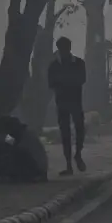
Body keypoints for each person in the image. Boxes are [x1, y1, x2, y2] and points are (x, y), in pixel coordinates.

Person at [47, 36, 87, 176]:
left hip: (73, 101)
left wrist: (62, 81)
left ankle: (77, 155)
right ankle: (69, 163)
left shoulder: (77, 63)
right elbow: (51, 83)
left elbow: (81, 79)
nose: (64, 50)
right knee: (66, 134)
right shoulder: (54, 65)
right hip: (64, 102)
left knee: (79, 130)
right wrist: (69, 80)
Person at [5, 117, 48, 182]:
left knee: (16, 153)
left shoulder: (26, 137)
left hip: (38, 168)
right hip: (39, 168)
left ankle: (30, 176)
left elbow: (14, 149)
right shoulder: (25, 133)